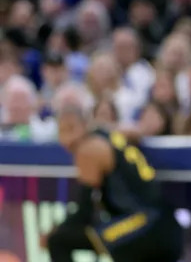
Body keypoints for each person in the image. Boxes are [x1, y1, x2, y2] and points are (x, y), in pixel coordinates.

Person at [41, 106, 183, 262]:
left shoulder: (88, 149)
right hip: (166, 225)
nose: (68, 138)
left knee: (58, 240)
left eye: (72, 128)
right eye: (62, 132)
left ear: (85, 125)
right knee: (109, 236)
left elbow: (84, 212)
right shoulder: (109, 134)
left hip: (147, 227)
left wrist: (55, 231)